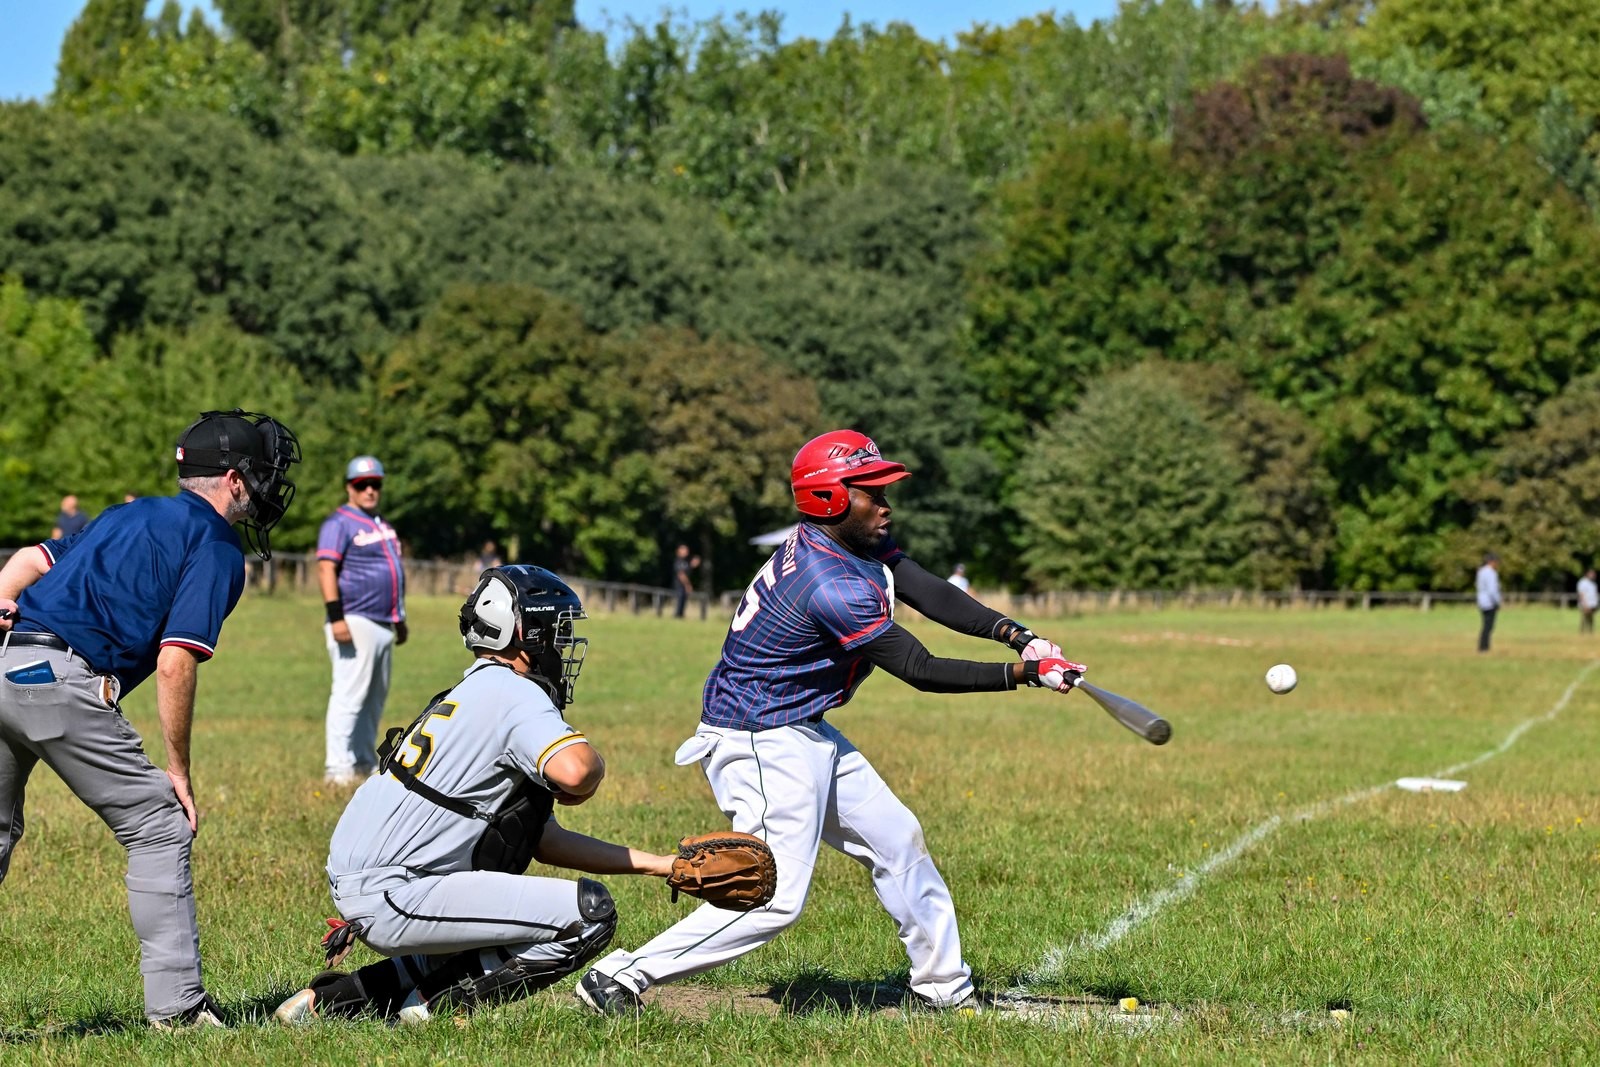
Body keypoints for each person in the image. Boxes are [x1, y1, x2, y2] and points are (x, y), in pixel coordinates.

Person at [577, 429, 1082, 1017]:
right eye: (871, 491)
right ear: (829, 499)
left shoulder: (848, 543)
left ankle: (942, 986)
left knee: (898, 840)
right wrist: (1023, 675)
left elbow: (926, 589)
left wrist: (1019, 637)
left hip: (797, 725)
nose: (886, 502)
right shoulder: (830, 581)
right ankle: (621, 976)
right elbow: (918, 667)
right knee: (773, 896)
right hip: (759, 736)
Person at [273, 566, 680, 1026]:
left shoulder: (475, 689)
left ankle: (335, 1001)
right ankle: (433, 1007)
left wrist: (660, 864)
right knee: (591, 915)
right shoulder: (514, 692)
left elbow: (543, 841)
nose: (560, 647)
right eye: (554, 632)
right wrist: (594, 770)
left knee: (491, 919)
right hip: (397, 888)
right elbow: (577, 770)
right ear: (520, 633)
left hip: (375, 884)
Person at [0, 409, 300, 1028]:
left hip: (6, 663)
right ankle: (180, 1010)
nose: (270, 486)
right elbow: (175, 661)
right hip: (56, 682)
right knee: (160, 824)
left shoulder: (127, 513)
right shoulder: (216, 544)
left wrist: (3, 594)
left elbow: (33, 558)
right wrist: (178, 771)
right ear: (235, 482)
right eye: (263, 473)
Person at [317, 456, 408, 786]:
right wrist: (335, 617)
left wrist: (400, 619)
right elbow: (326, 568)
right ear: (349, 487)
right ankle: (337, 767)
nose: (370, 490)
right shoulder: (339, 523)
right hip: (354, 619)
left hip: (383, 621)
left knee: (373, 699)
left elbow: (393, 572)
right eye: (362, 484)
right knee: (349, 695)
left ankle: (362, 759)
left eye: (375, 484)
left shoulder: (381, 523)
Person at [1476, 552, 1501, 653]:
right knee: (1489, 626)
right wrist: (1497, 601)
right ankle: (1484, 647)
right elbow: (1492, 590)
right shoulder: (1491, 573)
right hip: (1490, 602)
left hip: (1482, 601)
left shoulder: (1481, 572)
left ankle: (1483, 646)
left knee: (1485, 624)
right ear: (1492, 562)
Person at [671, 543, 700, 619]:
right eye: (684, 550)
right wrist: (687, 585)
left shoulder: (685, 561)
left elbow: (688, 568)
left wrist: (693, 564)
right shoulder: (679, 561)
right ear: (679, 551)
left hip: (683, 586)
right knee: (680, 601)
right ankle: (677, 616)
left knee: (683, 601)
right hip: (679, 585)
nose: (686, 551)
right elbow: (681, 575)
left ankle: (680, 616)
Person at [1579, 569, 1598, 635]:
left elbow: (1594, 594)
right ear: (1587, 574)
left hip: (1592, 604)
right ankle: (1582, 631)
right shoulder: (1583, 582)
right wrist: (1585, 604)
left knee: (1591, 618)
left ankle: (1590, 631)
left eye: (1593, 574)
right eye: (1591, 574)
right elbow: (1581, 594)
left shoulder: (1593, 583)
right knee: (1584, 618)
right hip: (1586, 604)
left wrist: (1596, 603)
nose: (1593, 575)